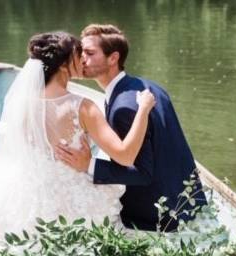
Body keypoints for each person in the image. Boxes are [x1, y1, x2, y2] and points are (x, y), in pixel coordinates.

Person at [0, 31, 155, 250]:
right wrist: (143, 109)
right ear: (66, 63)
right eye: (79, 54)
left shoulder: (21, 106)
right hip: (73, 197)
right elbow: (125, 155)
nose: (84, 59)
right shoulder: (83, 107)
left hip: (32, 195)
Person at [56, 24, 207, 232]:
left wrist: (89, 165)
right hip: (188, 200)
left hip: (158, 215)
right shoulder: (150, 86)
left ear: (113, 58)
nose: (82, 59)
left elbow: (141, 174)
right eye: (81, 53)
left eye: (90, 53)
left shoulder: (124, 107)